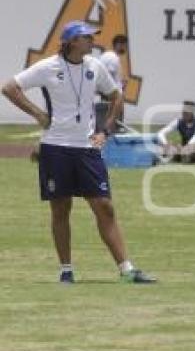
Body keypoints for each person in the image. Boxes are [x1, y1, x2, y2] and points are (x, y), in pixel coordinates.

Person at [0, 20, 156, 284]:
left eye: (91, 36)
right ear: (72, 41)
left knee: (104, 207)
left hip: (86, 148)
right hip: (56, 147)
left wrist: (105, 131)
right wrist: (38, 114)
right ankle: (66, 270)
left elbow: (116, 96)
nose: (92, 40)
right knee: (61, 209)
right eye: (86, 37)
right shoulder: (48, 67)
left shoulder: (95, 67)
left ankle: (127, 269)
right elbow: (9, 87)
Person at [95, 34, 127, 132]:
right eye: (124, 45)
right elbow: (106, 76)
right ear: (118, 45)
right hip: (109, 101)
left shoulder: (109, 56)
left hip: (110, 100)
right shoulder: (112, 57)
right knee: (108, 131)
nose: (125, 48)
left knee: (108, 130)